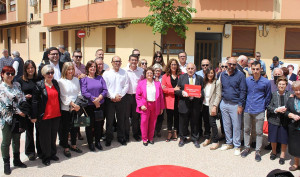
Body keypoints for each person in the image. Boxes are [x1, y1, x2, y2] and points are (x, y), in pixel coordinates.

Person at [240, 61, 271, 162]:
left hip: (259, 110)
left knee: (259, 132)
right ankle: (246, 148)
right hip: (248, 109)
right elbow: (244, 93)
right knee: (246, 130)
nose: (255, 71)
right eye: (253, 69)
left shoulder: (266, 82)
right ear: (251, 70)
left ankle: (257, 151)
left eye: (257, 69)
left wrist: (263, 106)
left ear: (261, 69)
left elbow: (268, 96)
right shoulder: (247, 80)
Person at [32, 65, 61, 166]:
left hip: (56, 114)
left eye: (52, 72)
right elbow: (34, 101)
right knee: (45, 138)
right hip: (45, 116)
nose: (50, 75)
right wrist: (34, 115)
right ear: (43, 74)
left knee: (53, 136)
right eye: (48, 73)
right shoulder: (39, 85)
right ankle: (45, 156)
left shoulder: (55, 83)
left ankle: (52, 153)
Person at [0, 66, 27, 175]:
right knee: (6, 141)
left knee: (17, 138)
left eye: (12, 73)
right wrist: (19, 111)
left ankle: (17, 160)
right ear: (2, 74)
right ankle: (6, 163)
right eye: (8, 73)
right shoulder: (1, 88)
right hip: (7, 118)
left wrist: (25, 108)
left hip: (18, 117)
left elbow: (22, 97)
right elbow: (6, 104)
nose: (10, 76)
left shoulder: (17, 85)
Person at [219, 57, 246, 156]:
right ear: (227, 64)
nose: (231, 66)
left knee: (236, 125)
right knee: (226, 125)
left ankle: (237, 145)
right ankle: (229, 143)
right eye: (230, 64)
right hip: (224, 103)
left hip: (235, 104)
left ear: (236, 65)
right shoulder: (223, 74)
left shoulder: (240, 75)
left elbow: (243, 91)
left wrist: (240, 105)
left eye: (234, 64)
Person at [175, 63, 204, 148]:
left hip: (195, 104)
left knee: (195, 123)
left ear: (195, 69)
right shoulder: (181, 78)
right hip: (184, 103)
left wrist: (200, 94)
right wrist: (181, 92)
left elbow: (202, 90)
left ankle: (195, 139)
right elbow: (176, 90)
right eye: (189, 68)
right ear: (186, 69)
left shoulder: (200, 78)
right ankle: (182, 138)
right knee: (183, 123)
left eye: (192, 68)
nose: (190, 70)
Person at [80, 60, 108, 151]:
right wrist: (93, 99)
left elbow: (105, 90)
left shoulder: (100, 78)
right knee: (89, 125)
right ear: (87, 68)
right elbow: (84, 92)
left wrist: (99, 98)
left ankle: (97, 142)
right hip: (89, 106)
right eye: (91, 66)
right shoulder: (84, 79)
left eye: (94, 66)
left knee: (99, 124)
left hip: (100, 104)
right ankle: (90, 143)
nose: (93, 68)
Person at [17, 60, 41, 161]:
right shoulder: (20, 80)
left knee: (39, 131)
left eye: (32, 68)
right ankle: (30, 152)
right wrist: (24, 96)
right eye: (28, 68)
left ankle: (41, 150)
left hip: (38, 108)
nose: (30, 70)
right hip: (27, 109)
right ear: (25, 69)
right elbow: (17, 94)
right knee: (29, 132)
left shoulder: (39, 78)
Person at [102, 56, 129, 146]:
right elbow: (105, 87)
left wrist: (119, 96)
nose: (117, 63)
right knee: (109, 120)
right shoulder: (106, 73)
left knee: (121, 120)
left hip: (121, 99)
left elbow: (126, 85)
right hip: (110, 100)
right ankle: (109, 138)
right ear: (112, 62)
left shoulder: (124, 73)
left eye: (119, 61)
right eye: (115, 61)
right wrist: (113, 96)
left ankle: (121, 137)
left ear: (121, 63)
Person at [58, 62, 83, 157]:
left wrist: (77, 105)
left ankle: (73, 144)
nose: (71, 71)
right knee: (65, 128)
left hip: (76, 108)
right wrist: (72, 104)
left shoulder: (76, 80)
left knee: (75, 127)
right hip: (66, 108)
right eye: (68, 69)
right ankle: (66, 147)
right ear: (65, 70)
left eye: (72, 69)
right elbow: (63, 96)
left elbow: (79, 93)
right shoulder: (61, 81)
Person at [136, 67, 165, 146]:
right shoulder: (141, 83)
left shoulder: (157, 83)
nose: (149, 74)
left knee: (153, 122)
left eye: (151, 73)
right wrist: (141, 105)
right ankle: (144, 139)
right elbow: (138, 95)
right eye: (148, 73)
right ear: (145, 74)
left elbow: (161, 96)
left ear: (153, 74)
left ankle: (151, 138)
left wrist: (162, 107)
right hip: (145, 105)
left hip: (155, 105)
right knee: (144, 122)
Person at [267, 76, 291, 165]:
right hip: (274, 119)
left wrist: (287, 110)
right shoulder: (272, 94)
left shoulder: (290, 94)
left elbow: (292, 106)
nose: (281, 86)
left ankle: (282, 155)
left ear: (286, 85)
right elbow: (268, 106)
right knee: (273, 138)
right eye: (280, 84)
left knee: (284, 138)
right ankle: (274, 152)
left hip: (285, 120)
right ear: (277, 85)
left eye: (283, 84)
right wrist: (276, 110)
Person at [124, 54, 144, 141]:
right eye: (132, 60)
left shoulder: (141, 71)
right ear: (129, 61)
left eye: (135, 60)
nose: (134, 62)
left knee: (136, 117)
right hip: (127, 96)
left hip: (137, 97)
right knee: (126, 117)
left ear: (137, 61)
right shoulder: (124, 70)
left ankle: (136, 134)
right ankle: (126, 135)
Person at [162, 59, 182, 141]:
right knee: (169, 117)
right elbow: (163, 89)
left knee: (177, 117)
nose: (173, 66)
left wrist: (169, 89)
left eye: (175, 64)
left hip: (179, 100)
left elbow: (184, 86)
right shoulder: (165, 76)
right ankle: (169, 132)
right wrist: (173, 89)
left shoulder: (181, 75)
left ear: (177, 66)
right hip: (169, 100)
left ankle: (175, 132)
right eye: (172, 64)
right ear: (169, 66)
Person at [202, 68, 222, 149]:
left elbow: (218, 95)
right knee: (206, 123)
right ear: (206, 74)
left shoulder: (217, 82)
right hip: (204, 105)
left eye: (212, 73)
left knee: (213, 123)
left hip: (212, 106)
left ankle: (215, 140)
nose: (210, 75)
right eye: (208, 73)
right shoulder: (204, 82)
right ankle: (207, 137)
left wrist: (215, 107)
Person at [284, 81, 300, 171]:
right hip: (294, 127)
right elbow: (286, 111)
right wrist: (291, 115)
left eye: (299, 90)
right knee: (295, 146)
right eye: (296, 90)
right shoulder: (291, 99)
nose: (298, 92)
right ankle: (296, 164)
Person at [153, 63, 164, 137]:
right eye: (156, 70)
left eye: (159, 71)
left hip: (161, 99)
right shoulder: (150, 77)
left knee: (161, 116)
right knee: (153, 116)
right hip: (152, 100)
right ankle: (152, 130)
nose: (157, 72)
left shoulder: (163, 78)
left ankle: (158, 130)